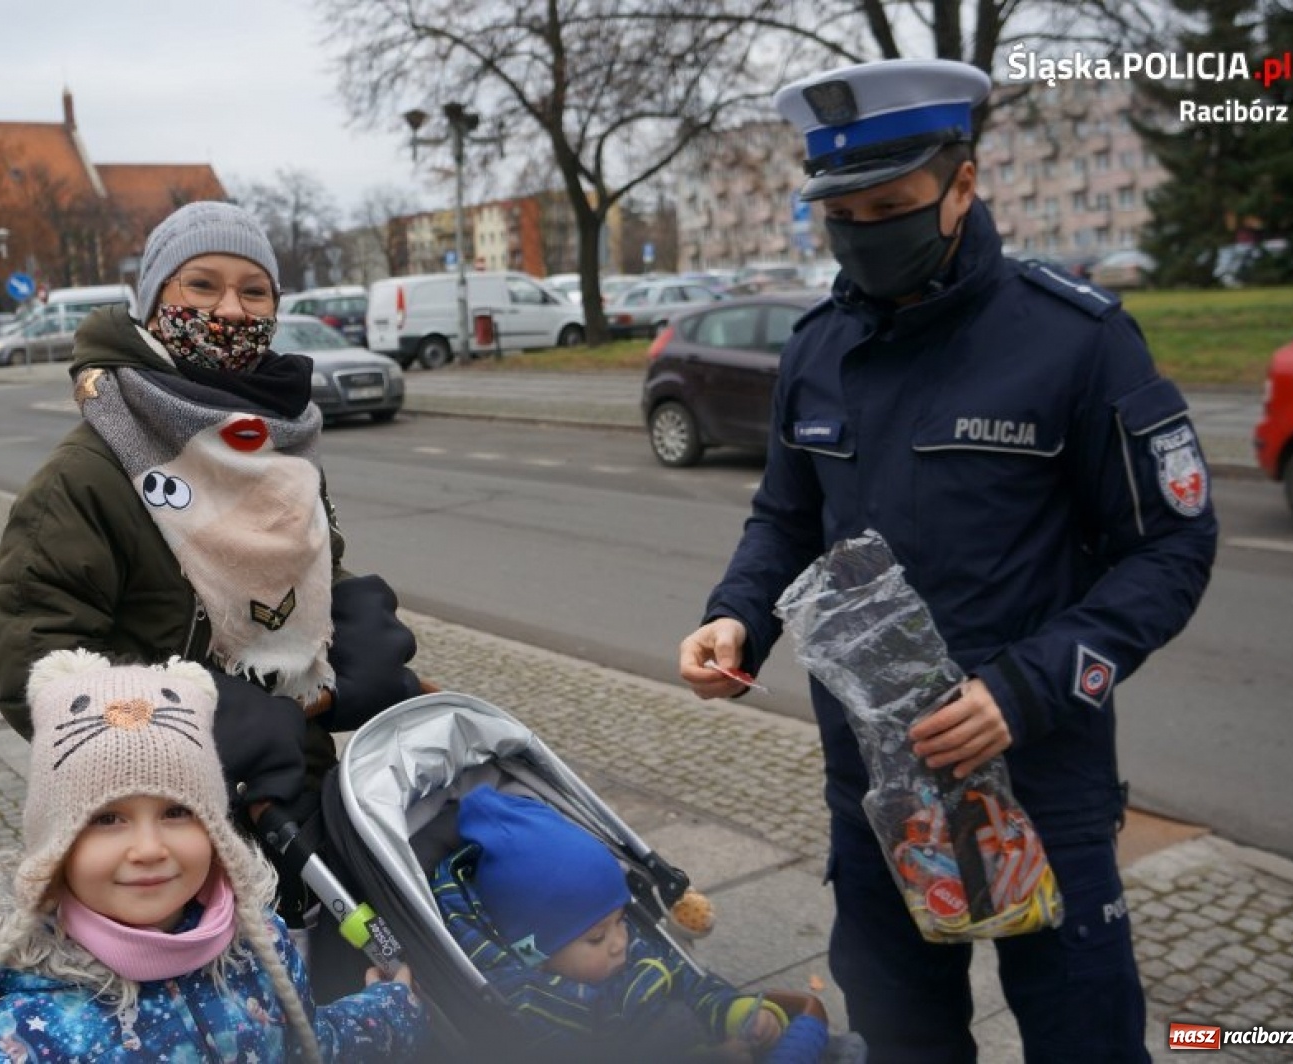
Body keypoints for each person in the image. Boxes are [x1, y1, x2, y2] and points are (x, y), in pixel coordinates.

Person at [677, 58, 1217, 1063]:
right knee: (903, 1037)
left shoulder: (1076, 341)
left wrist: (1029, 686)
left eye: (892, 207)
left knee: (1084, 1041)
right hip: (872, 788)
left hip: (1037, 778)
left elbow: (1173, 545)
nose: (864, 234)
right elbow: (786, 519)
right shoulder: (815, 349)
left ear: (961, 185)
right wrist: (737, 613)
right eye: (843, 215)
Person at [0, 201, 422, 922]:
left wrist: (348, 623)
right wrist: (195, 719)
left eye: (254, 292)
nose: (231, 309)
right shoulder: (91, 472)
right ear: (156, 302)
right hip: (165, 839)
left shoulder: (272, 443)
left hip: (299, 803)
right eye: (202, 286)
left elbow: (295, 575)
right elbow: (30, 661)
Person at [0, 650, 425, 1062]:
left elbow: (301, 1043)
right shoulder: (18, 1040)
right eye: (106, 818)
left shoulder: (259, 945)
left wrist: (389, 1009)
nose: (148, 849)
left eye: (177, 811)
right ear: (56, 845)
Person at [432, 786, 843, 1062]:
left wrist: (737, 1014)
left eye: (619, 922)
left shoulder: (632, 950)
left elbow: (692, 983)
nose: (618, 942)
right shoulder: (540, 1007)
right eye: (596, 937)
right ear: (534, 950)